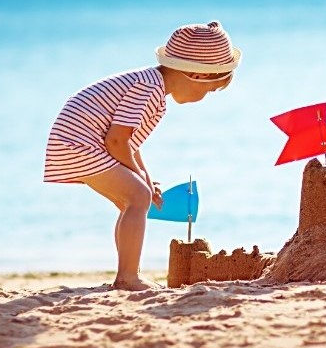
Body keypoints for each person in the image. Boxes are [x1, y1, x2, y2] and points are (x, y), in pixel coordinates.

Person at [43, 21, 240, 291]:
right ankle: (128, 277)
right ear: (196, 75)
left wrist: (144, 176)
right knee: (137, 197)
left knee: (134, 198)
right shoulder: (149, 90)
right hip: (79, 143)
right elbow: (116, 140)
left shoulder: (151, 85)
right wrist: (139, 180)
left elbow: (129, 143)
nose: (203, 97)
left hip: (81, 141)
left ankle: (127, 273)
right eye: (207, 90)